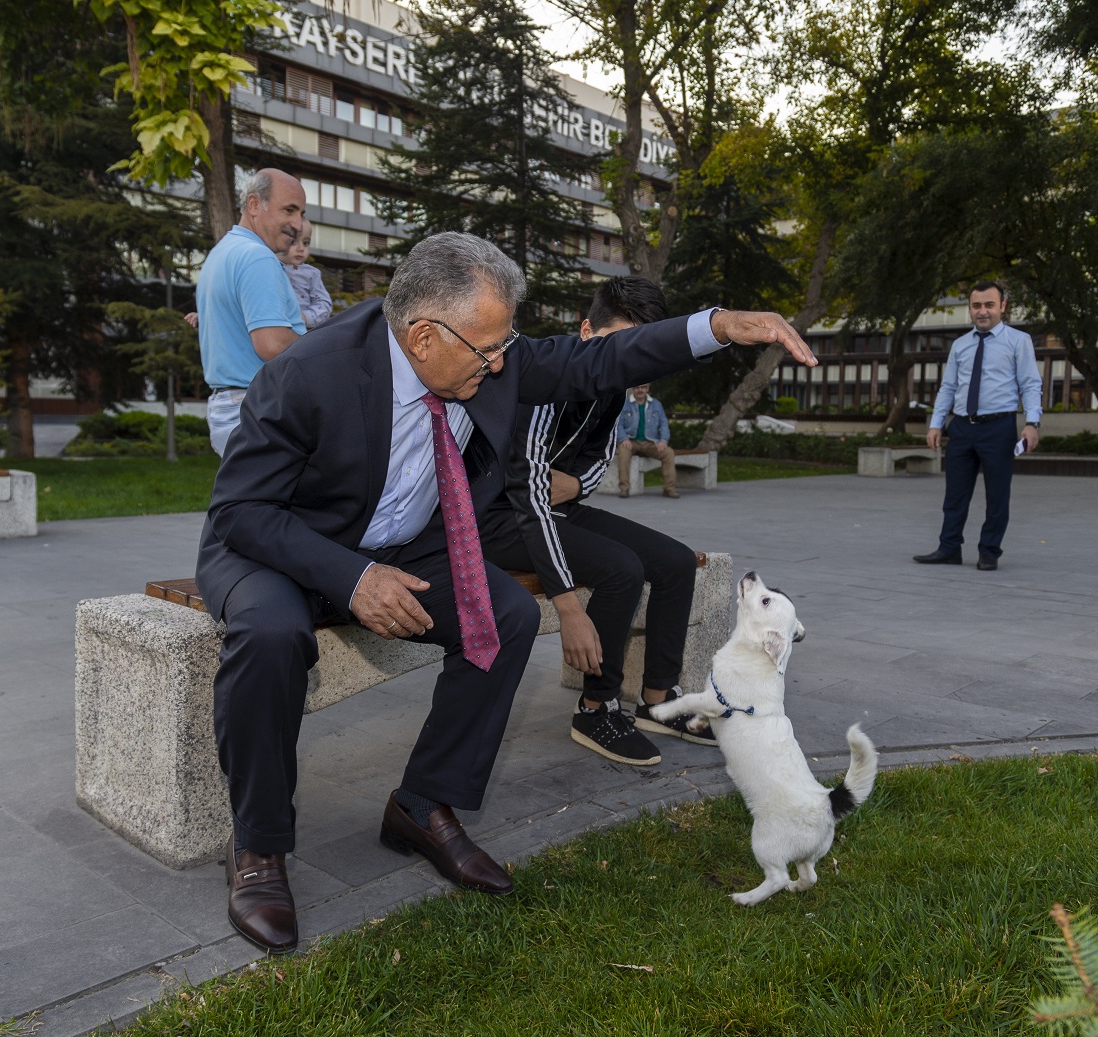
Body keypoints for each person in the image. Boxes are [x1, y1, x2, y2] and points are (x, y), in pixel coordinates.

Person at [196, 232, 818, 955]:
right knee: (270, 636)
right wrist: (352, 576)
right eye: (488, 349)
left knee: (506, 614)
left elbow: (600, 358)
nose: (500, 365)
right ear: (422, 335)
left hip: (399, 541)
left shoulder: (482, 355)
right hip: (280, 542)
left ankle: (423, 804)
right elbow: (240, 511)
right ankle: (260, 848)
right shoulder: (308, 373)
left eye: (505, 347)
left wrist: (718, 327)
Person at [479, 277, 712, 769]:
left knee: (673, 563)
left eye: (641, 352)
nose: (630, 362)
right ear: (587, 330)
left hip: (552, 502)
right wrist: (567, 606)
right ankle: (596, 708)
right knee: (620, 568)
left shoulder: (616, 386)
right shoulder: (545, 379)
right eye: (622, 344)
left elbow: (599, 456)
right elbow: (525, 495)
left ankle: (658, 700)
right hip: (498, 518)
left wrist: (576, 485)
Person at [913, 280, 1042, 572]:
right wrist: (936, 424)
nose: (982, 311)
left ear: (1003, 307)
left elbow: (1031, 384)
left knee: (997, 494)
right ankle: (949, 548)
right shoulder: (960, 345)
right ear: (970, 308)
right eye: (976, 306)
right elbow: (948, 387)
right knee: (954, 494)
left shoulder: (1018, 341)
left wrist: (1032, 423)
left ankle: (989, 551)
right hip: (961, 427)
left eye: (989, 305)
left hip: (999, 427)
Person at [197, 168, 308, 455]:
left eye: (302, 213)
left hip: (232, 409)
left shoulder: (222, 253)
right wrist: (322, 347)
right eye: (289, 210)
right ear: (254, 205)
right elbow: (271, 344)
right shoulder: (257, 257)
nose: (297, 223)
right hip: (258, 410)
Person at [614, 383, 677, 498]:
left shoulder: (656, 405)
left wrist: (663, 440)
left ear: (647, 389)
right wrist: (623, 438)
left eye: (643, 387)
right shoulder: (625, 404)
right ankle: (624, 488)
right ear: (633, 389)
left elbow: (663, 424)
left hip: (650, 442)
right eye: (637, 387)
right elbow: (618, 424)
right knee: (622, 452)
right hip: (631, 442)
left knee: (669, 453)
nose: (640, 390)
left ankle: (669, 489)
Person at [280, 219, 333, 330]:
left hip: (303, 331)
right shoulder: (270, 267)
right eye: (293, 242)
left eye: (306, 243)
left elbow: (324, 303)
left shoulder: (312, 274)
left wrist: (305, 317)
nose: (301, 248)